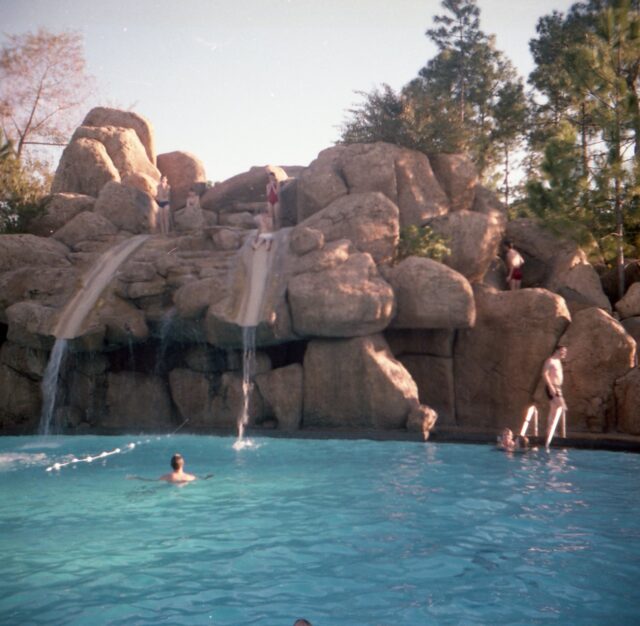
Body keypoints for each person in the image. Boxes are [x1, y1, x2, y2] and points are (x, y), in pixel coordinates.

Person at [542, 346, 568, 437]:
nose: (564, 353)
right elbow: (545, 374)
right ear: (557, 350)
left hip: (558, 387)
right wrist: (551, 387)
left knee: (554, 409)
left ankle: (551, 431)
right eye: (563, 351)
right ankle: (551, 431)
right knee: (562, 407)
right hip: (552, 387)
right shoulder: (550, 361)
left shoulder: (558, 361)